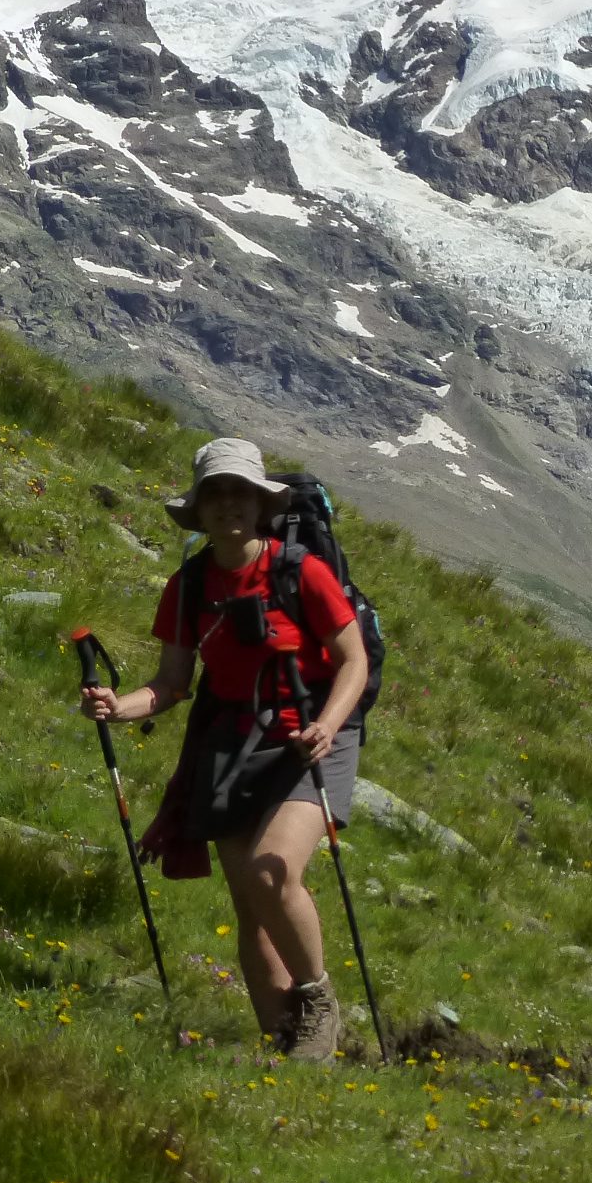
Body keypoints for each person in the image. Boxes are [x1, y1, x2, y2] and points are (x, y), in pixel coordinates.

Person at [80, 438, 371, 1059]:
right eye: (215, 494)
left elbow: (354, 661)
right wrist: (117, 706)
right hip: (236, 739)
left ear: (260, 503)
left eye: (240, 493)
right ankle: (286, 1051)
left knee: (273, 872)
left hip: (312, 737)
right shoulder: (188, 586)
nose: (228, 505)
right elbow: (170, 685)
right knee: (252, 908)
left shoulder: (301, 572)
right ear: (200, 508)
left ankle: (319, 1001)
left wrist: (329, 724)